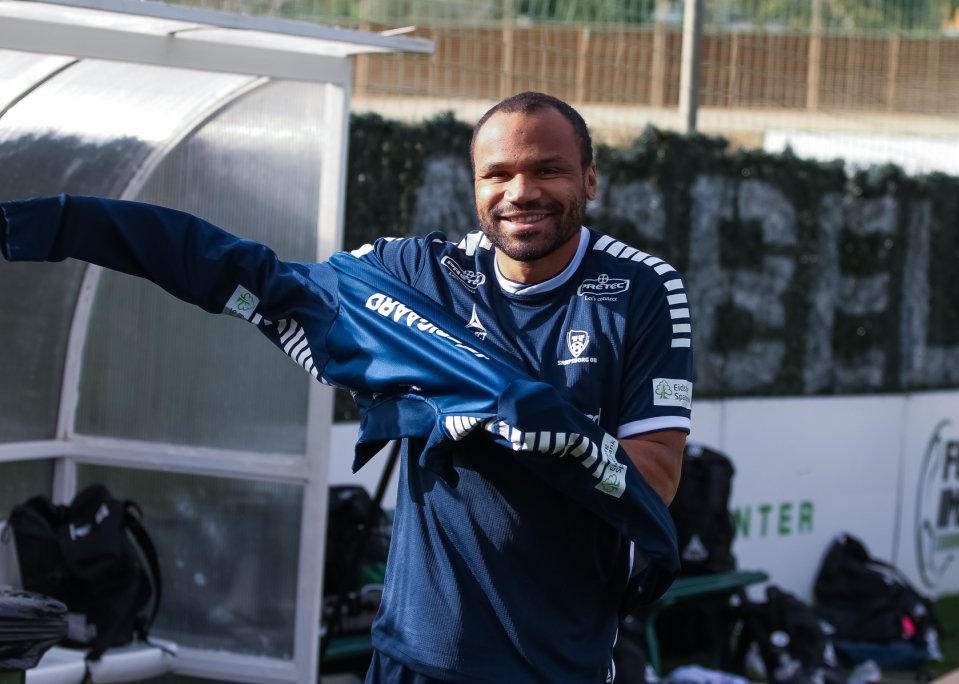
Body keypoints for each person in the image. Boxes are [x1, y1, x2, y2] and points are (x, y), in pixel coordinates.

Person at [0, 91, 693, 683]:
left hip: (558, 663)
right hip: (415, 655)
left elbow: (655, 479)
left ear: (590, 179)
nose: (521, 192)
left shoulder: (641, 290)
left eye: (547, 170)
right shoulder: (417, 277)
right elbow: (251, 275)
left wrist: (547, 433)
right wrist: (45, 226)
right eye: (498, 173)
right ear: (475, 185)